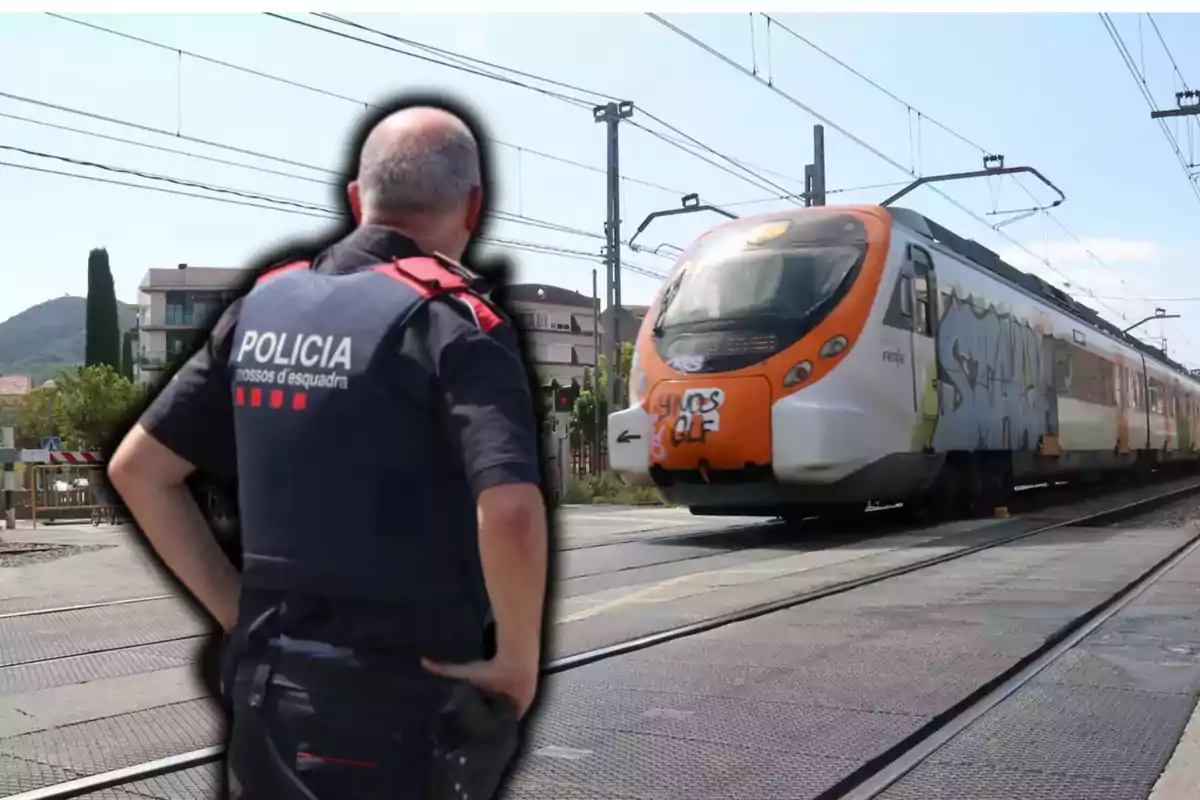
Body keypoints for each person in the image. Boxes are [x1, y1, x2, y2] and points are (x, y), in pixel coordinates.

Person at [108, 104, 549, 800]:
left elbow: (138, 471)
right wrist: (519, 660)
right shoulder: (455, 323)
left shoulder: (260, 308)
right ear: (474, 205)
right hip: (402, 715)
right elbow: (512, 512)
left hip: (270, 703)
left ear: (355, 199)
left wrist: (234, 610)